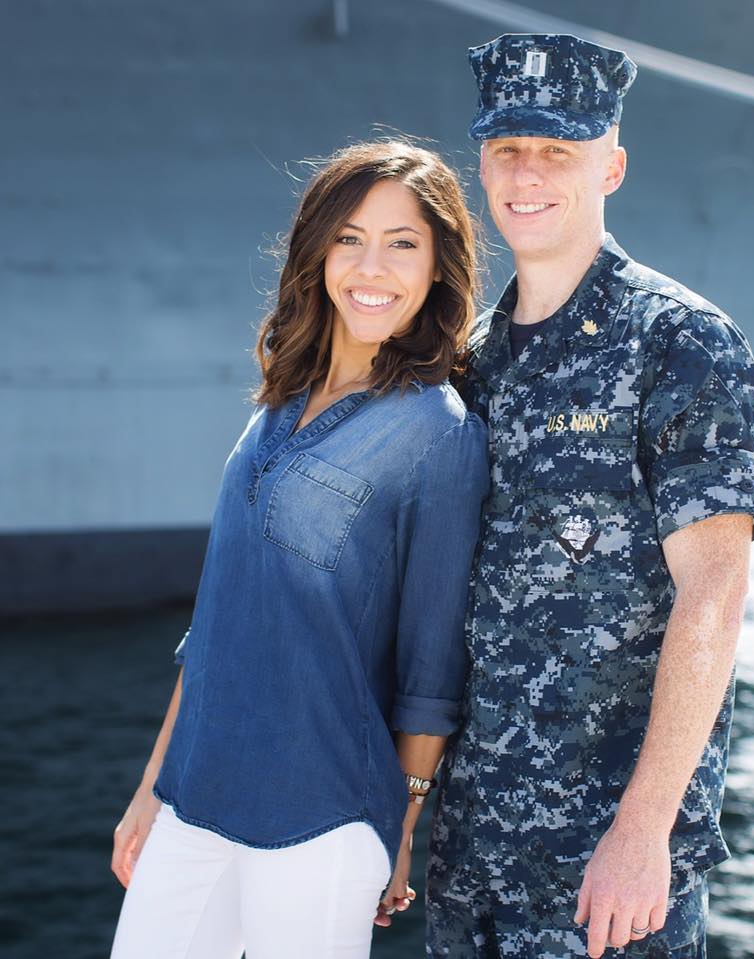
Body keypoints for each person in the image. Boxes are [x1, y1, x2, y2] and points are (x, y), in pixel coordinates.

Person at [423, 34, 754, 959]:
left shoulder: (677, 341)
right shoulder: (477, 363)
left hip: (602, 878)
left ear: (609, 166)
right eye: (507, 150)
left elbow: (714, 594)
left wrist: (642, 831)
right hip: (472, 862)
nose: (527, 174)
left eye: (557, 150)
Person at [109, 139, 489, 959]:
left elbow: (429, 673)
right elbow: (215, 621)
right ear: (317, 250)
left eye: (402, 243)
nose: (370, 267)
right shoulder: (278, 399)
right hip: (192, 799)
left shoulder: (438, 432)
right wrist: (150, 786)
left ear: (436, 265)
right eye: (349, 237)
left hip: (322, 818)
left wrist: (401, 825)